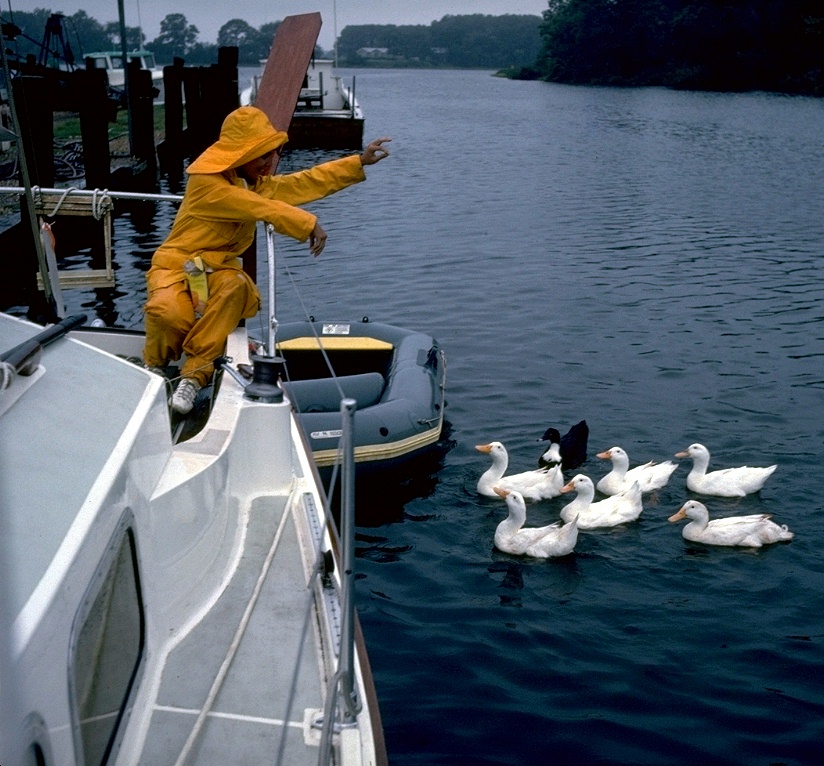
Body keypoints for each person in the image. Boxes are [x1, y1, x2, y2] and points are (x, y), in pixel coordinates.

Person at [142, 106, 391, 414]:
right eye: (262, 156)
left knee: (234, 287)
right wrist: (307, 224)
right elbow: (257, 208)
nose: (268, 163)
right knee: (168, 314)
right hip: (177, 266)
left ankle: (194, 376)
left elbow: (301, 183)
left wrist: (357, 162)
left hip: (216, 269)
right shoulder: (207, 185)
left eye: (271, 155)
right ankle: (154, 366)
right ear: (240, 155)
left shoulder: (252, 183)